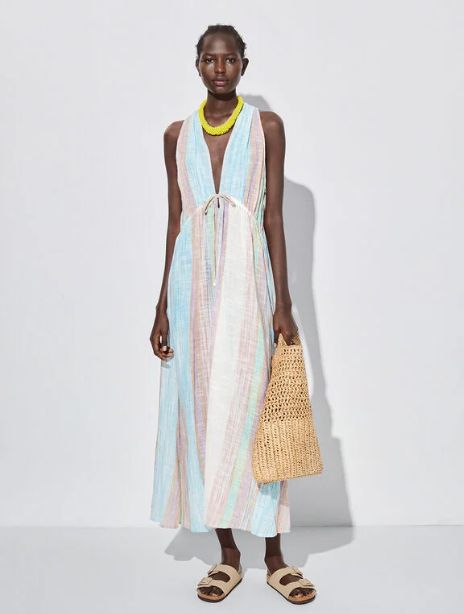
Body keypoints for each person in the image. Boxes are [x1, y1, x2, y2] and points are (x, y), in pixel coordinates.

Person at [149, 24, 316, 604]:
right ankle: (227, 555)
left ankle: (274, 557)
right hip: (191, 286)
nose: (219, 69)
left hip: (249, 285)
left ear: (245, 64)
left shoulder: (266, 128)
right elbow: (176, 221)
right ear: (197, 65)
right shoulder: (175, 136)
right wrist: (161, 304)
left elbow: (274, 218)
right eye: (209, 59)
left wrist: (283, 303)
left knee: (256, 415)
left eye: (229, 60)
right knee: (202, 415)